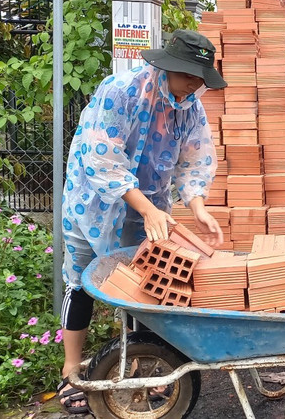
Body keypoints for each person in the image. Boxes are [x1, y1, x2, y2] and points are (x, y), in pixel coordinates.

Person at [56, 30, 226, 414]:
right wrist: (147, 209)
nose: (194, 85)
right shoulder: (121, 92)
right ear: (167, 66)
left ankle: (141, 368)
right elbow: (102, 158)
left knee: (147, 284)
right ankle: (71, 371)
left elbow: (194, 160)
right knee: (79, 281)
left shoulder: (189, 108)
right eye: (188, 75)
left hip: (149, 207)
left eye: (200, 78)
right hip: (92, 204)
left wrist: (197, 206)